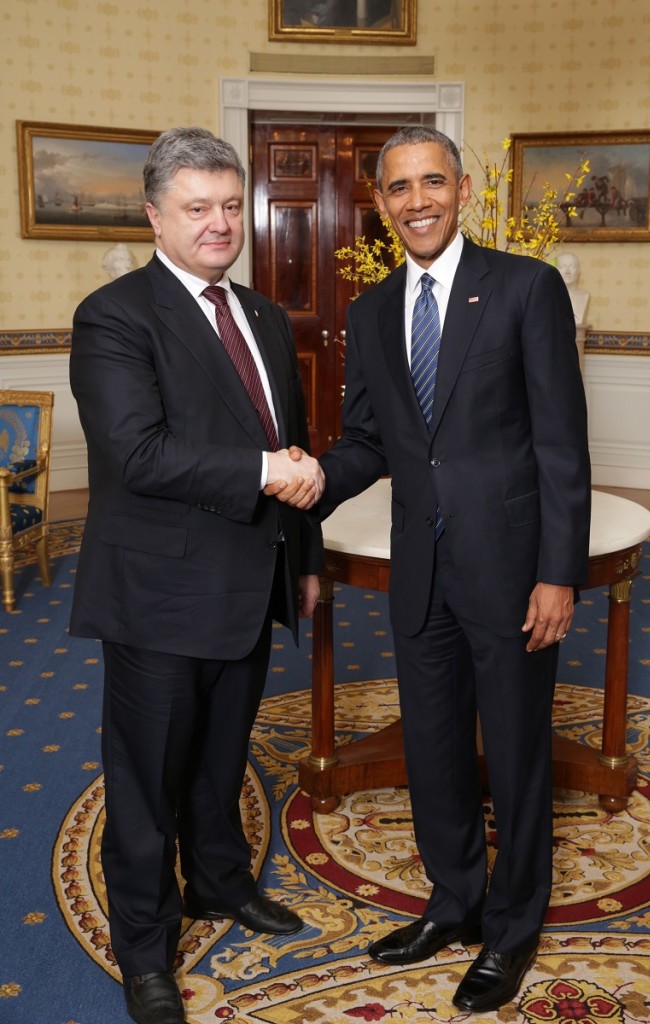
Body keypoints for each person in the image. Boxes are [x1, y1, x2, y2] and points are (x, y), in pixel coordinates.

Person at [270, 125, 591, 1012]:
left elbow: (562, 444)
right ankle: (453, 904)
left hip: (512, 568)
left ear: (463, 188)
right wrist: (308, 481)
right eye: (400, 188)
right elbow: (371, 440)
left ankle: (513, 927)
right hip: (420, 568)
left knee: (518, 754)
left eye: (433, 183)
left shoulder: (525, 288)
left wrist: (557, 572)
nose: (418, 202)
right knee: (435, 748)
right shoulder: (371, 311)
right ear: (379, 203)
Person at [69, 126, 325, 1024]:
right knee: (145, 784)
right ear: (154, 216)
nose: (219, 225)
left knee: (221, 764)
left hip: (252, 582)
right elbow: (138, 453)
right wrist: (266, 475)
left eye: (228, 206)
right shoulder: (113, 314)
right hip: (158, 595)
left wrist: (304, 562)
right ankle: (145, 948)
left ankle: (219, 885)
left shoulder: (258, 313)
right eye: (196, 209)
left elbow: (286, 437)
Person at [556, 251, 591, 325]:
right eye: (562, 267)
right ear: (555, 271)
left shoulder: (585, 296)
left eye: (572, 266)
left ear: (579, 271)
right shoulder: (548, 297)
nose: (567, 272)